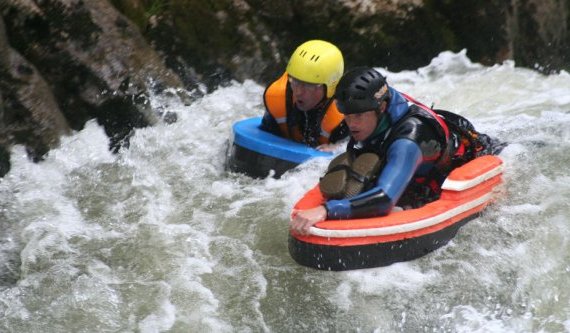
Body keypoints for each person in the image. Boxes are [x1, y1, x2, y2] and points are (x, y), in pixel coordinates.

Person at [290, 66, 498, 235]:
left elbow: (384, 200)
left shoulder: (408, 140)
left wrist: (325, 210)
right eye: (347, 116)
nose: (351, 124)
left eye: (359, 116)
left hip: (468, 157)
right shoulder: (377, 102)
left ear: (381, 108)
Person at [260, 40, 349, 151]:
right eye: (295, 81)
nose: (298, 92)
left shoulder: (346, 116)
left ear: (330, 86)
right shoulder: (276, 97)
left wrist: (337, 149)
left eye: (309, 85)